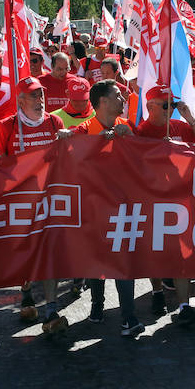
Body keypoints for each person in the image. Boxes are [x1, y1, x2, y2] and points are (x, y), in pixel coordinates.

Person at [0, 77, 68, 334]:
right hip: (19, 201)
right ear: (20, 101)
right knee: (25, 251)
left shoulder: (53, 122)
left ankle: (51, 308)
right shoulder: (7, 126)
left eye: (41, 95)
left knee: (49, 253)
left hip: (49, 199)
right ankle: (25, 290)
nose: (40, 101)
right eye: (34, 96)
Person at [73, 80, 144, 337]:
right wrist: (102, 141)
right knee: (98, 259)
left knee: (123, 258)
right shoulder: (83, 130)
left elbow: (143, 160)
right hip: (93, 207)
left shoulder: (127, 127)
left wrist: (132, 138)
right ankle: (97, 305)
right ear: (102, 102)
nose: (123, 99)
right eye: (117, 95)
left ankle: (128, 317)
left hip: (123, 205)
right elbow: (71, 159)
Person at [134, 85, 195, 325]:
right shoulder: (141, 131)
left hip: (180, 199)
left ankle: (184, 305)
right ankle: (156, 292)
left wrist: (189, 116)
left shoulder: (179, 126)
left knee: (180, 253)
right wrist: (158, 151)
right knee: (156, 251)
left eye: (172, 104)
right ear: (149, 107)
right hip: (153, 199)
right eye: (165, 105)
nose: (170, 109)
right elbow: (135, 165)